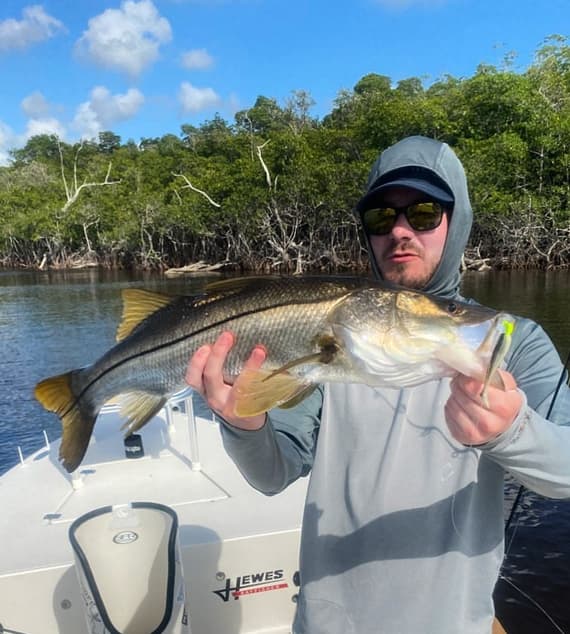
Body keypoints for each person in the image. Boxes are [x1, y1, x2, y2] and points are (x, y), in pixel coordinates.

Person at [185, 135, 570, 634]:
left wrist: (513, 431)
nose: (401, 232)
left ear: (457, 223)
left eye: (425, 213)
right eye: (382, 219)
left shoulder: (509, 339)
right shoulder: (332, 336)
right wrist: (242, 423)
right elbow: (273, 473)